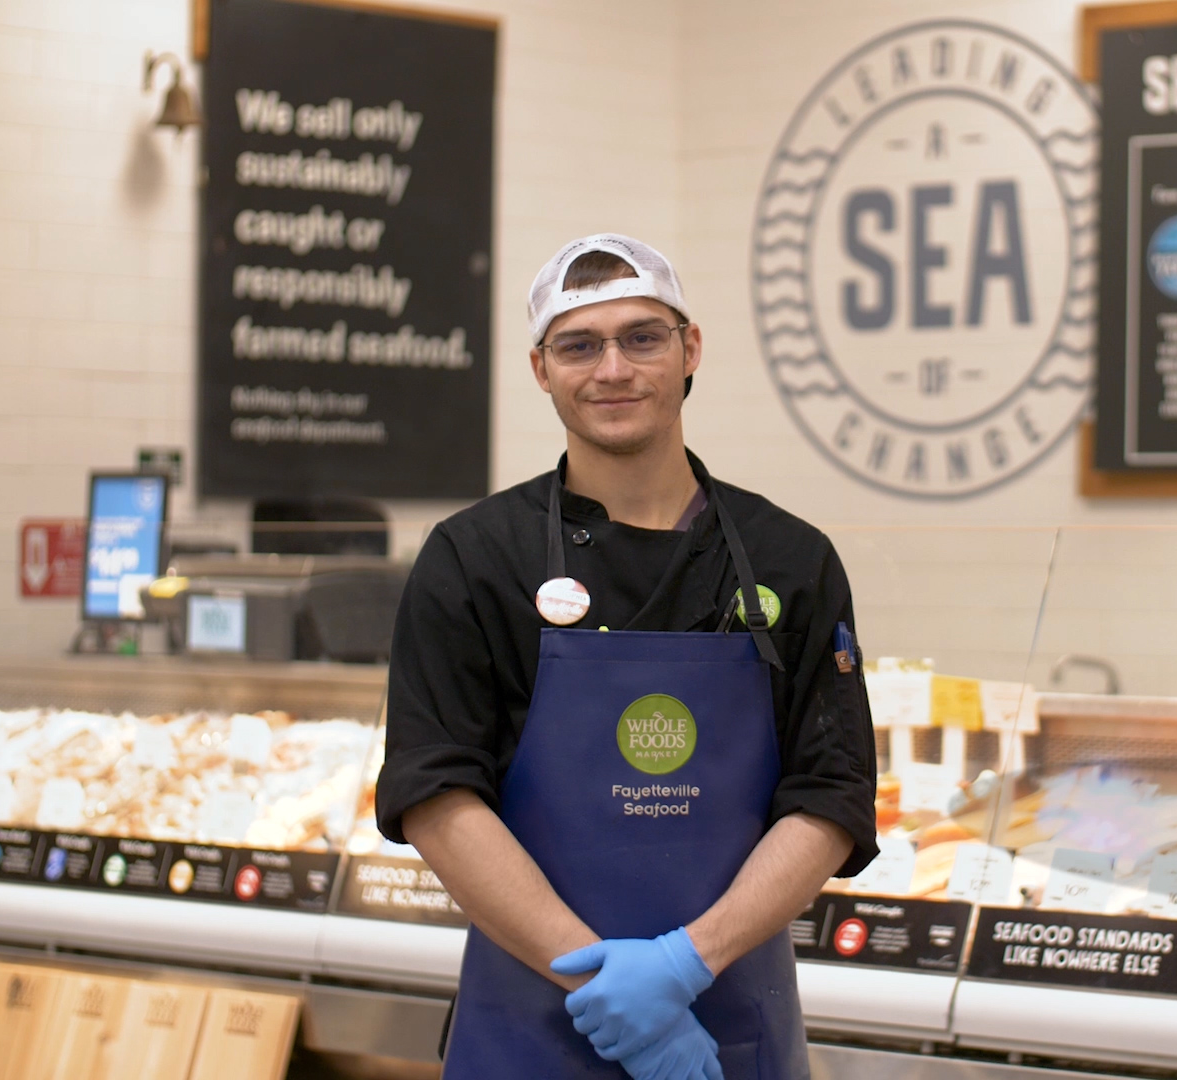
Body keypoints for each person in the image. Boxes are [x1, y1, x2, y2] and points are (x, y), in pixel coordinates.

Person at [376, 233, 879, 1080]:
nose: (613, 369)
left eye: (643, 337)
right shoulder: (473, 559)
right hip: (530, 1029)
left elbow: (831, 794)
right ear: (542, 370)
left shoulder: (790, 559)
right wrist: (596, 979)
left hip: (728, 1032)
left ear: (690, 349)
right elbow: (435, 796)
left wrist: (685, 963)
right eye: (580, 344)